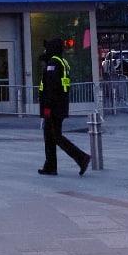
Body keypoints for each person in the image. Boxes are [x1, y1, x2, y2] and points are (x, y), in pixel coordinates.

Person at [36, 45, 89, 178]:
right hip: (59, 107)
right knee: (50, 137)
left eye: (46, 48)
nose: (45, 51)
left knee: (55, 137)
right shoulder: (61, 62)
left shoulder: (53, 64)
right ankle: (50, 166)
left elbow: (50, 88)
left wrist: (47, 108)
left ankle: (81, 158)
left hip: (53, 109)